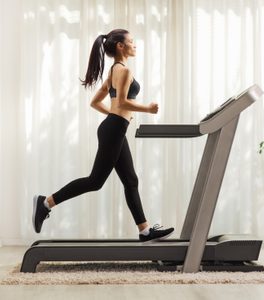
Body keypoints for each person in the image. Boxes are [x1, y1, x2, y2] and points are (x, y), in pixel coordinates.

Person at [32, 29, 174, 242]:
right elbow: (123, 102)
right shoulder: (123, 71)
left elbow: (96, 102)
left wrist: (118, 116)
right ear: (120, 46)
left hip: (114, 128)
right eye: (132, 42)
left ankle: (145, 231)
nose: (135, 45)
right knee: (95, 181)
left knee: (131, 180)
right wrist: (148, 108)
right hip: (114, 129)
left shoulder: (113, 71)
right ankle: (45, 202)